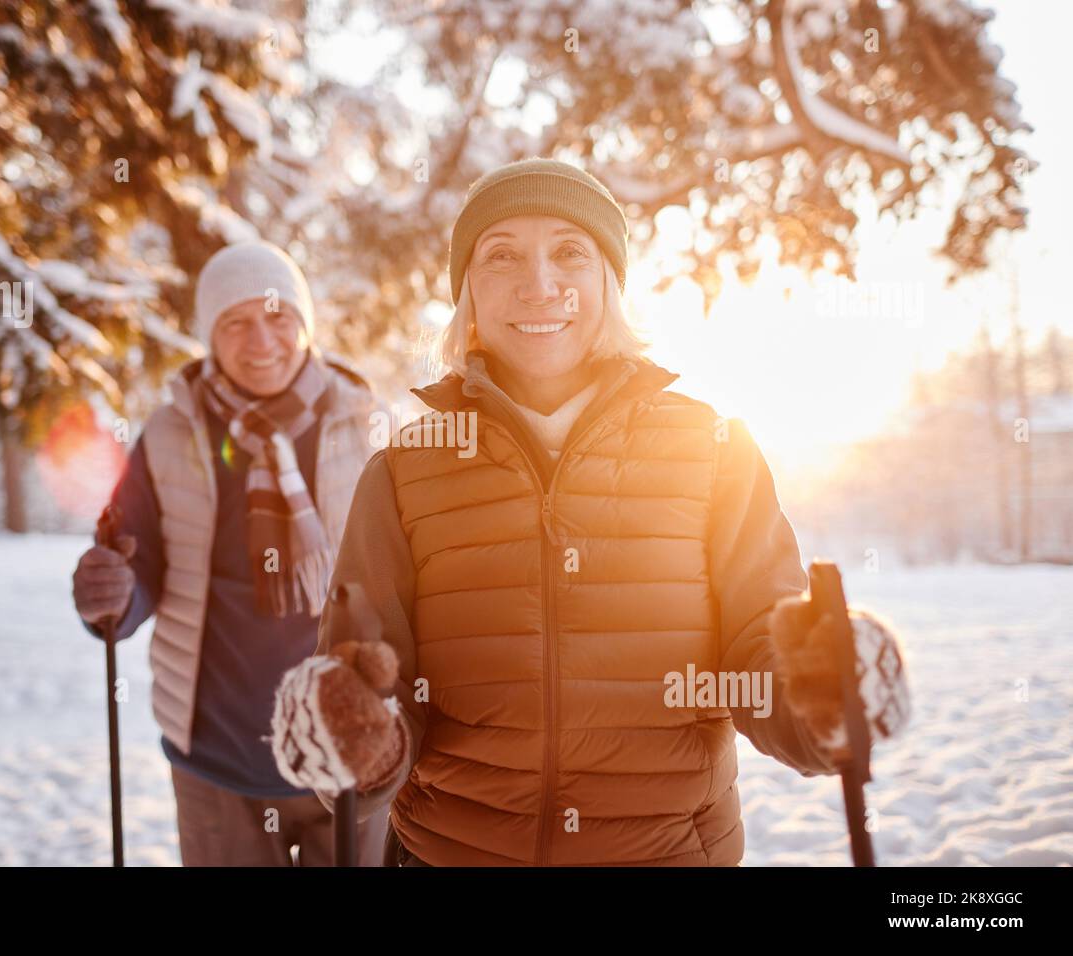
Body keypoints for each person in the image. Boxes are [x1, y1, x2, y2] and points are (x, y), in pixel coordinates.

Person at [269, 158, 912, 866]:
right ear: (468, 297)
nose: (539, 284)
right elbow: (373, 686)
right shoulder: (400, 473)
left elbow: (760, 649)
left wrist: (821, 696)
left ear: (610, 282)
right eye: (501, 255)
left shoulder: (714, 449)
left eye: (571, 251)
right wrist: (359, 739)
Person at [72, 240, 388, 865]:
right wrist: (111, 596)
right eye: (236, 323)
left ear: (305, 324)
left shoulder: (368, 426)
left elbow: (411, 578)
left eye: (278, 318)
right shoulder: (170, 435)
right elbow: (139, 568)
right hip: (219, 758)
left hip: (349, 749)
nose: (262, 341)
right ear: (208, 337)